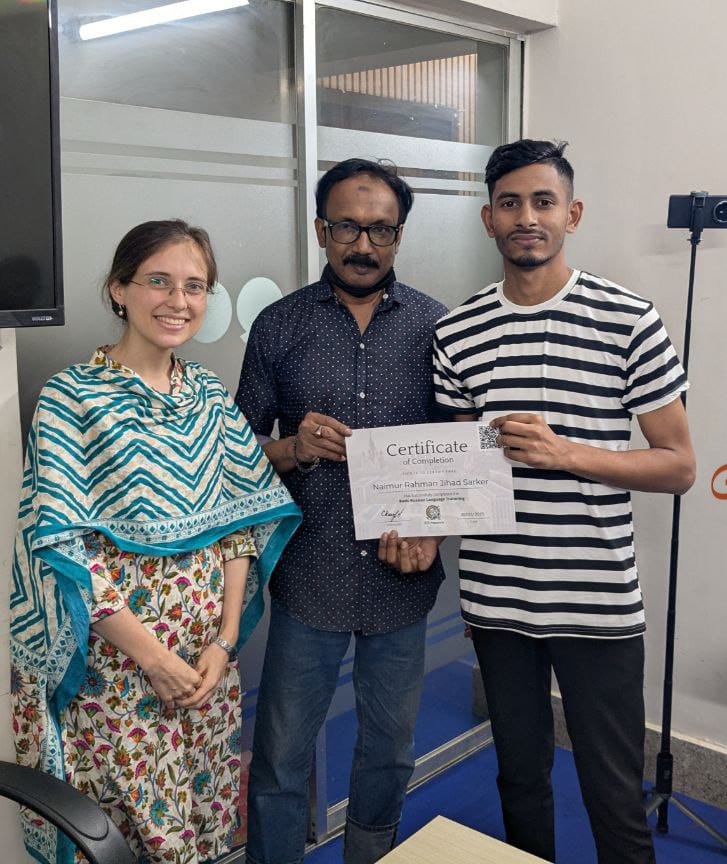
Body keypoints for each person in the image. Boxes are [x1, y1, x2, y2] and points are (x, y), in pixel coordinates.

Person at [431, 140, 696, 864]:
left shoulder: (627, 318)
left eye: (543, 202)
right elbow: (459, 474)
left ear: (571, 215)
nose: (527, 217)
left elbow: (678, 466)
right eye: (509, 203)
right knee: (519, 778)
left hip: (596, 602)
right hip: (497, 600)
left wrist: (566, 453)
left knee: (613, 793)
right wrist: (413, 522)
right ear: (488, 219)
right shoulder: (456, 332)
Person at [10, 219, 301, 864]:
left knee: (201, 820)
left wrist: (225, 643)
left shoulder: (209, 396)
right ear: (119, 289)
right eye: (159, 282)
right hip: (119, 674)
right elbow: (64, 550)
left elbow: (240, 525)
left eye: (195, 286)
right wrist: (155, 660)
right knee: (132, 832)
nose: (178, 301)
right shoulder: (70, 398)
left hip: (207, 668)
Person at [236, 158, 447, 864]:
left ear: (399, 234)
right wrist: (293, 449)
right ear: (320, 229)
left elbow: (463, 455)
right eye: (347, 227)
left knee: (389, 752)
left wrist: (432, 528)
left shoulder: (437, 327)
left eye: (381, 229)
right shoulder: (278, 325)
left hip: (401, 578)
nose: (363, 245)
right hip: (309, 575)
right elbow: (236, 451)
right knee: (280, 757)